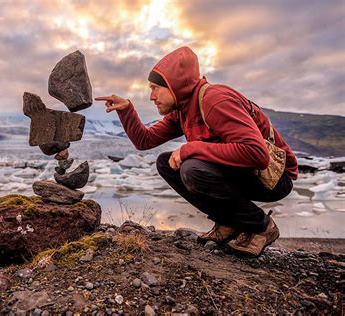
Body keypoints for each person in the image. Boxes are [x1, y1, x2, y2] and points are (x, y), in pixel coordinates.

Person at [95, 46, 298, 257]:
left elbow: (257, 153)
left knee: (192, 168)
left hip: (274, 178)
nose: (151, 97)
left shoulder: (215, 99)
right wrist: (127, 109)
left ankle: (261, 226)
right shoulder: (183, 110)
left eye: (156, 88)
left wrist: (190, 148)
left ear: (174, 86)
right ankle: (229, 223)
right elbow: (144, 140)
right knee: (166, 163)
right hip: (245, 172)